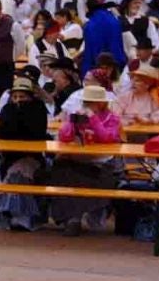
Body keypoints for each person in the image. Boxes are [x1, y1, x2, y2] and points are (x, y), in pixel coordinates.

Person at [47, 83, 123, 235]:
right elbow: (64, 137)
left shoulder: (113, 118)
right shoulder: (79, 116)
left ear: (101, 103)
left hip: (101, 163)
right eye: (85, 102)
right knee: (60, 172)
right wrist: (72, 122)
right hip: (77, 160)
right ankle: (71, 219)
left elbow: (107, 138)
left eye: (90, 103)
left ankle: (75, 218)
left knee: (81, 179)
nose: (86, 105)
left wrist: (93, 119)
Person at [0, 69, 52, 233]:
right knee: (5, 172)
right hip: (8, 156)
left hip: (32, 156)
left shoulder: (38, 110)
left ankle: (22, 216)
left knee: (19, 174)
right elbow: (3, 132)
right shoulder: (7, 110)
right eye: (15, 97)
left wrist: (21, 114)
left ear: (31, 96)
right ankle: (8, 213)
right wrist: (15, 113)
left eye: (22, 97)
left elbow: (35, 133)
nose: (18, 100)